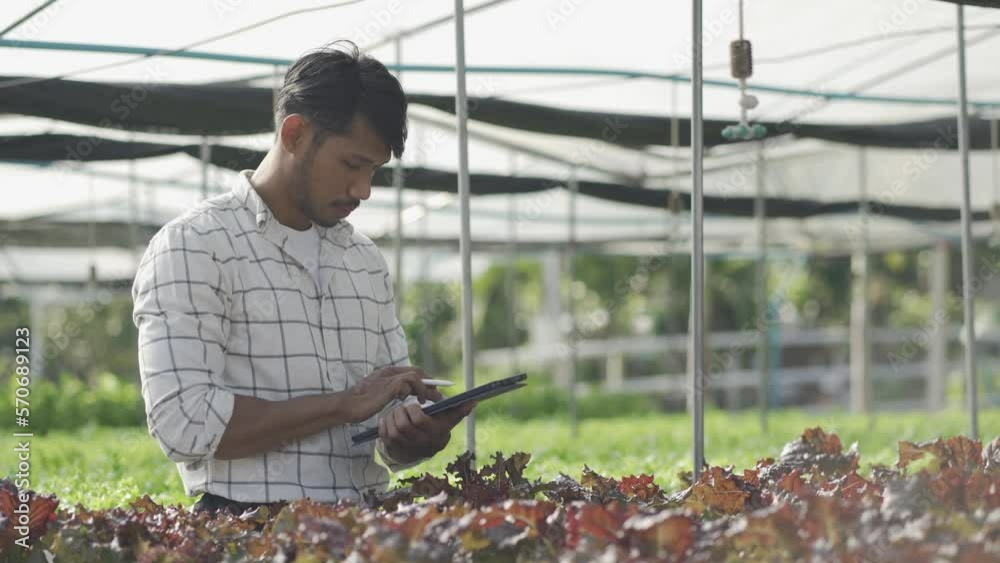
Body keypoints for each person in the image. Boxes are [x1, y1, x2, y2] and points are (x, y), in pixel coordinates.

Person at [131, 41, 474, 516]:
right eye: (352, 165)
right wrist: (342, 404)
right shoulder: (194, 246)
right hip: (248, 526)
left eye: (373, 170)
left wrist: (415, 435)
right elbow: (184, 424)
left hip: (365, 526)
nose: (363, 190)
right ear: (294, 134)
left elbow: (383, 435)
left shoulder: (364, 260)